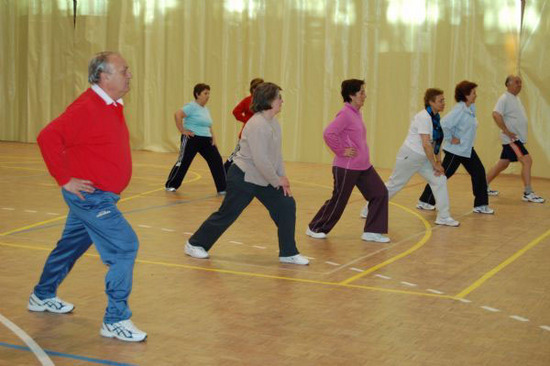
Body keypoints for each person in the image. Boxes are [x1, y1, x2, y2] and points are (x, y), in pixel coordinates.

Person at [29, 51, 146, 342]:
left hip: (99, 195)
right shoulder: (87, 106)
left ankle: (42, 295)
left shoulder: (110, 103)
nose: (129, 74)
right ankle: (115, 319)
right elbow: (47, 137)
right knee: (124, 247)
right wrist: (65, 179)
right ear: (105, 76)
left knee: (69, 246)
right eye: (124, 70)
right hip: (92, 198)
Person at [184, 82, 309, 265]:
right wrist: (276, 180)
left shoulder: (274, 123)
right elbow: (260, 160)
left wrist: (283, 179)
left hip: (262, 177)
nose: (282, 101)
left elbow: (275, 155)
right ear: (269, 100)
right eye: (279, 97)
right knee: (227, 214)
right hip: (243, 177)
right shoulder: (257, 124)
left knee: (286, 204)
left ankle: (288, 252)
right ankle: (194, 244)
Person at [360, 88, 460, 227]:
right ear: (431, 102)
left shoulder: (435, 118)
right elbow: (426, 144)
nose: (444, 103)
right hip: (410, 156)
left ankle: (443, 216)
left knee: (440, 180)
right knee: (395, 184)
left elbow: (436, 141)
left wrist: (438, 161)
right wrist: (434, 164)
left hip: (423, 158)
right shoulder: (424, 117)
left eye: (444, 100)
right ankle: (368, 209)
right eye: (440, 101)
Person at [306, 79, 389, 243]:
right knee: (339, 199)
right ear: (351, 95)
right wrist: (341, 150)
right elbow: (328, 133)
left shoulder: (356, 113)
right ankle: (315, 227)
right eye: (362, 92)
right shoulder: (345, 113)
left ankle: (372, 231)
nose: (365, 95)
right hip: (347, 167)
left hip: (363, 166)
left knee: (380, 193)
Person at [416, 81, 494, 214]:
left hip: (466, 149)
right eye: (473, 92)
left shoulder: (470, 108)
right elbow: (443, 124)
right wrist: (450, 138)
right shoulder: (459, 109)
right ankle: (425, 201)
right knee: (443, 175)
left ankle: (480, 205)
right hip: (456, 151)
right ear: (466, 95)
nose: (476, 95)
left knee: (479, 172)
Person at [485, 75, 545, 203]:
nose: (519, 84)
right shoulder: (504, 98)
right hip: (512, 140)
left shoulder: (515, 99)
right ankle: (528, 193)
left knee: (503, 164)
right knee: (527, 161)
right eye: (517, 82)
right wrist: (507, 131)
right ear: (508, 84)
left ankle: (482, 186)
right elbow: (496, 114)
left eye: (520, 82)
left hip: (515, 139)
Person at [165, 83, 227, 194]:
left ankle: (222, 188)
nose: (208, 96)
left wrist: (213, 138)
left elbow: (208, 124)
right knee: (184, 161)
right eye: (205, 93)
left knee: (216, 161)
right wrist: (183, 130)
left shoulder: (206, 109)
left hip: (206, 140)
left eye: (209, 93)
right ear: (198, 94)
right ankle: (171, 184)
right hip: (192, 138)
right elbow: (177, 114)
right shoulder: (191, 106)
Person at [223, 78, 264, 172]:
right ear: (253, 89)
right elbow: (236, 112)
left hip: (260, 134)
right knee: (236, 154)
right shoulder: (247, 100)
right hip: (247, 134)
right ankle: (224, 171)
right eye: (259, 88)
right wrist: (248, 120)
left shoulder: (264, 101)